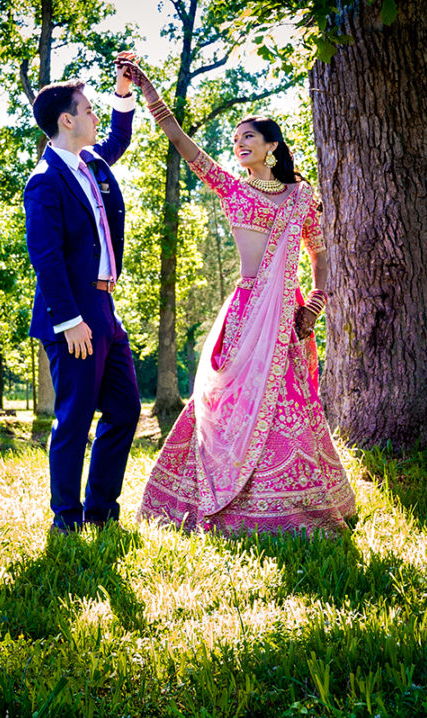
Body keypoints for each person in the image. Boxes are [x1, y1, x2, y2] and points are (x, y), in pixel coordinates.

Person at [121, 60, 357, 535]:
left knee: (290, 403)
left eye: (248, 136)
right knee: (230, 403)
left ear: (272, 147)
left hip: (290, 317)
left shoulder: (299, 196)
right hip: (247, 312)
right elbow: (183, 144)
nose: (239, 144)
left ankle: (296, 501)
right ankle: (214, 499)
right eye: (236, 139)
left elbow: (320, 250)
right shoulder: (232, 190)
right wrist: (147, 90)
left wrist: (317, 300)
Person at [24, 56, 141, 534]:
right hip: (72, 310)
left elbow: (119, 138)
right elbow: (46, 257)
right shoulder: (44, 181)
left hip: (105, 308)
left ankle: (101, 510)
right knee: (74, 417)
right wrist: (69, 320)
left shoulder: (91, 162)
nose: (96, 117)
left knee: (125, 408)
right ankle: (66, 519)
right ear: (66, 120)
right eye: (89, 109)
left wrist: (122, 91)